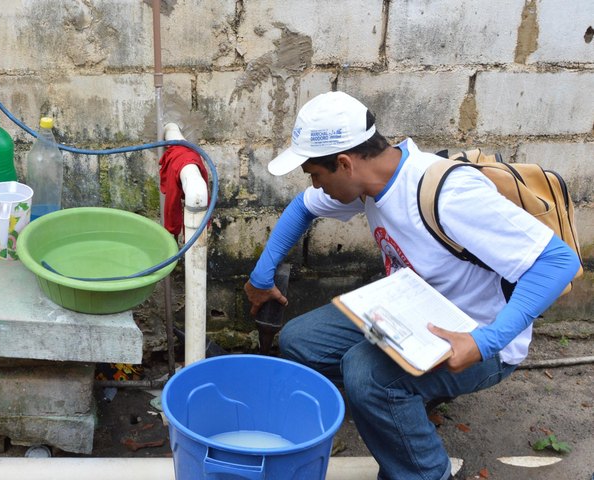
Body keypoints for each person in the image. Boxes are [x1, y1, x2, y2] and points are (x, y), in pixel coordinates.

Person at [244, 91, 581, 480]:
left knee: (365, 373)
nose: (316, 187)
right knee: (301, 341)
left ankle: (425, 469)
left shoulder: (449, 194)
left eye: (315, 175)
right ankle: (399, 405)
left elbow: (558, 262)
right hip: (411, 311)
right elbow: (303, 208)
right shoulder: (371, 183)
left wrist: (486, 341)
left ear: (345, 163)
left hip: (477, 335)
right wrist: (261, 277)